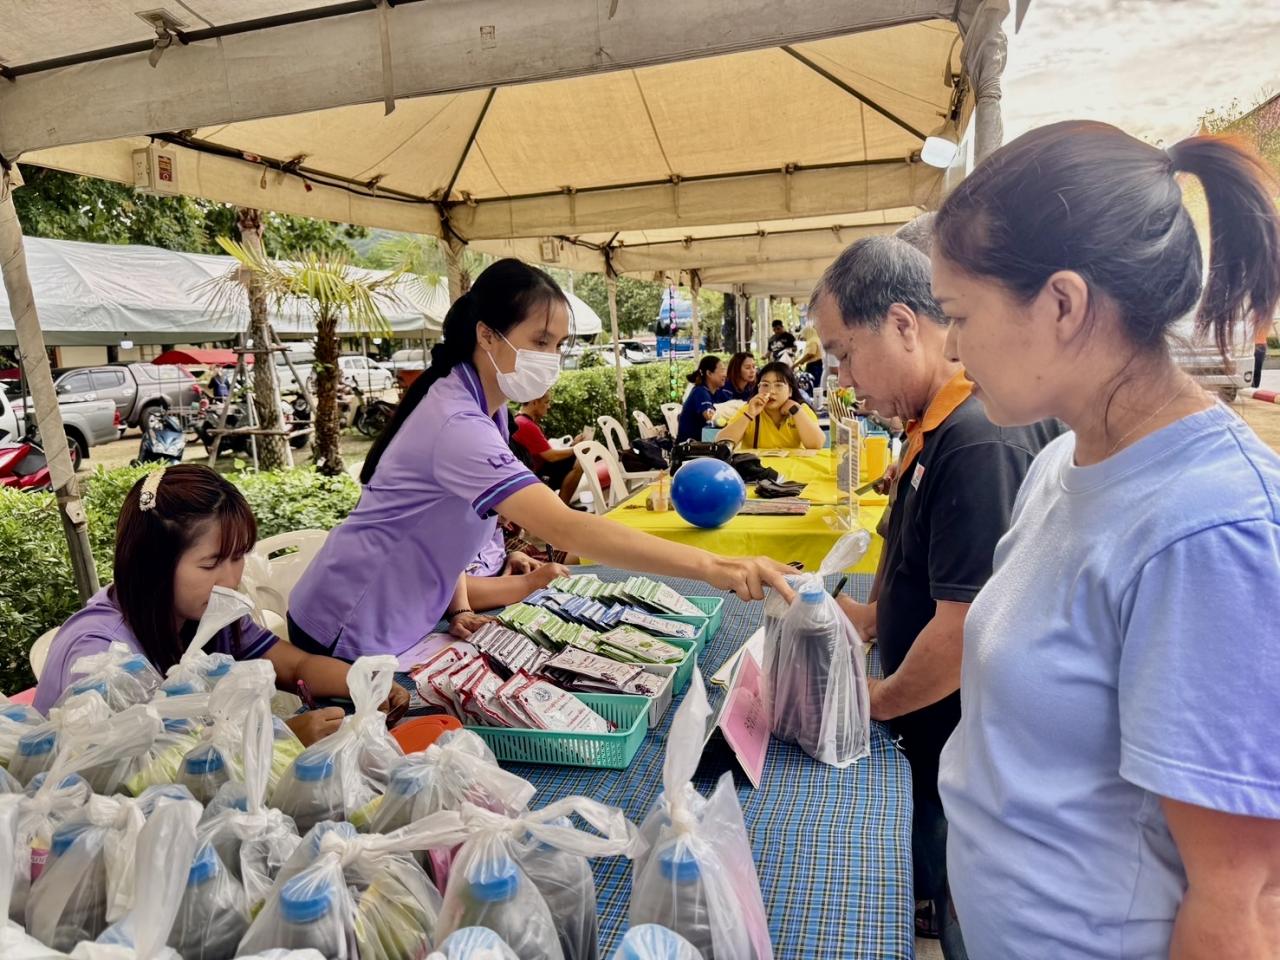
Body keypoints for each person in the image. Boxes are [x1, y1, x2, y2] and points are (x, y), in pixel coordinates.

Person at [931, 121, 1280, 960]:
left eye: (959, 315)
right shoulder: (1060, 461)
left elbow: (1243, 903)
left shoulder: (1210, 530)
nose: (951, 347)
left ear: (1061, 304)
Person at [285, 260, 792, 662]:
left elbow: (442, 521)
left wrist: (458, 605)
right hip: (348, 622)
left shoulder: (490, 407)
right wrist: (712, 566)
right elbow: (567, 530)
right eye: (540, 342)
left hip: (407, 615)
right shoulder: (455, 424)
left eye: (559, 345)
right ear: (487, 335)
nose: (551, 357)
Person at [809, 234, 1061, 959]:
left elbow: (963, 629)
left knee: (958, 907)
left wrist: (872, 699)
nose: (843, 379)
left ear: (902, 323)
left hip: (960, 737)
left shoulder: (977, 438)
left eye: (844, 352)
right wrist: (854, 617)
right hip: (929, 732)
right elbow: (922, 570)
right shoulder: (933, 428)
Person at [32, 464, 407, 744]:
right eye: (211, 564)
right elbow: (133, 769)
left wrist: (366, 682)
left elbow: (295, 665)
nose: (230, 579)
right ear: (153, 566)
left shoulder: (207, 615)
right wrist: (279, 740)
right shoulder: (102, 656)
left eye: (239, 556)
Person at [715, 361, 824, 450]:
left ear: (790, 391)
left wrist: (796, 411)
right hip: (757, 473)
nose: (771, 391)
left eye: (778, 385)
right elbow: (721, 443)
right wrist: (749, 415)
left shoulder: (800, 410)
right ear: (758, 388)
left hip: (794, 472)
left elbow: (816, 445)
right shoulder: (749, 410)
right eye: (765, 385)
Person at [510, 392, 587, 504]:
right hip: (536, 476)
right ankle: (562, 510)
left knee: (576, 458)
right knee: (580, 461)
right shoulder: (525, 424)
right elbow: (551, 456)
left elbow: (546, 453)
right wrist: (577, 448)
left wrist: (573, 446)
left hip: (539, 469)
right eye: (546, 402)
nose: (549, 406)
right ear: (534, 402)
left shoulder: (522, 420)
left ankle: (563, 508)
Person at [676, 355, 726, 443]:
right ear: (709, 373)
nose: (725, 374)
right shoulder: (700, 392)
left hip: (701, 445)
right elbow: (710, 417)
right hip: (690, 450)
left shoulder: (714, 393)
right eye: (722, 370)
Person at [1253, 316, 1276, 389]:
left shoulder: (1264, 319)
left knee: (1257, 368)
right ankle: (1254, 385)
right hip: (1256, 345)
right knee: (1256, 368)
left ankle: (1255, 386)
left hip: (1260, 345)